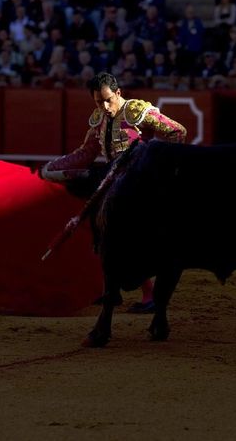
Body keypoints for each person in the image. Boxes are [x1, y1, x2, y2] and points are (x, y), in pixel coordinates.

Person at [40, 72, 188, 313]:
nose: (105, 106)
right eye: (99, 101)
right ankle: (113, 291)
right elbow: (86, 154)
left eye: (108, 100)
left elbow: (177, 131)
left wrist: (151, 159)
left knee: (131, 239)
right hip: (113, 182)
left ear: (118, 93)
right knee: (102, 234)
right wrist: (51, 168)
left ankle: (150, 295)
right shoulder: (98, 118)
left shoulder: (136, 111)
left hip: (141, 185)